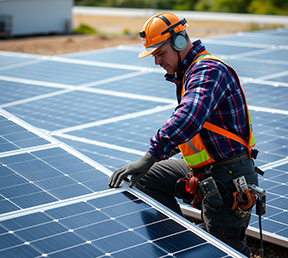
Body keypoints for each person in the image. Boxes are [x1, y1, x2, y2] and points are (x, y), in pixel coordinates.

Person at [108, 12, 259, 257]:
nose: (157, 62)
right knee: (148, 177)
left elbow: (189, 115)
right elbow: (198, 130)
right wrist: (152, 162)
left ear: (179, 42)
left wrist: (152, 154)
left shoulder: (207, 70)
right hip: (205, 171)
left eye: (160, 53)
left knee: (225, 251)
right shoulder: (188, 74)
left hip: (228, 176)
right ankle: (185, 242)